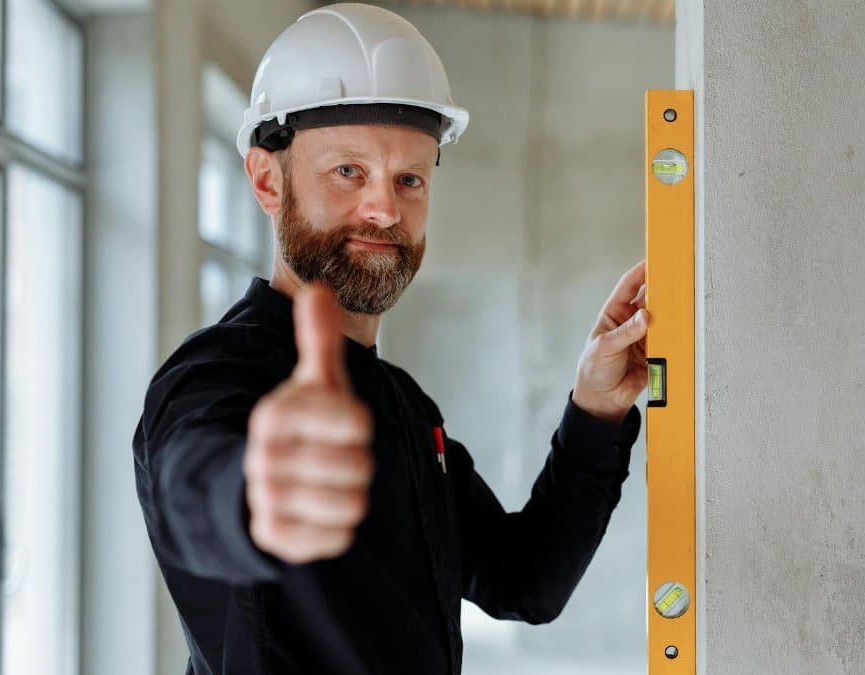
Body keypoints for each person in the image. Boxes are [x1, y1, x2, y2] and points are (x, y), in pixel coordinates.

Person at [131, 4, 650, 673]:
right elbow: (189, 483)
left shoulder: (406, 406)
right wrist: (255, 493)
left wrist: (597, 408)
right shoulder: (217, 373)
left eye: (409, 179)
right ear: (267, 180)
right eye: (348, 171)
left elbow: (526, 580)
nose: (384, 208)